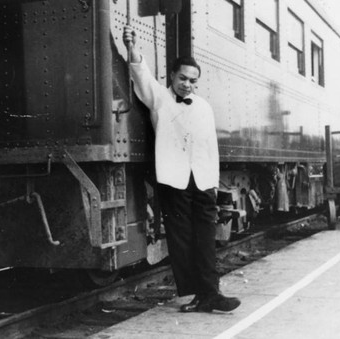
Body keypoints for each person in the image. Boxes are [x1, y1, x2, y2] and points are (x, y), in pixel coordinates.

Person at [123, 26, 241, 313]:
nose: (188, 84)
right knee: (181, 240)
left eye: (193, 80)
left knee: (206, 239)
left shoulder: (203, 107)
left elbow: (210, 146)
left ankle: (211, 293)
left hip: (203, 181)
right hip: (174, 180)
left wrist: (212, 181)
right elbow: (141, 74)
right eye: (183, 78)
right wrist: (131, 47)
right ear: (172, 77)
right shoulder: (160, 99)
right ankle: (192, 295)